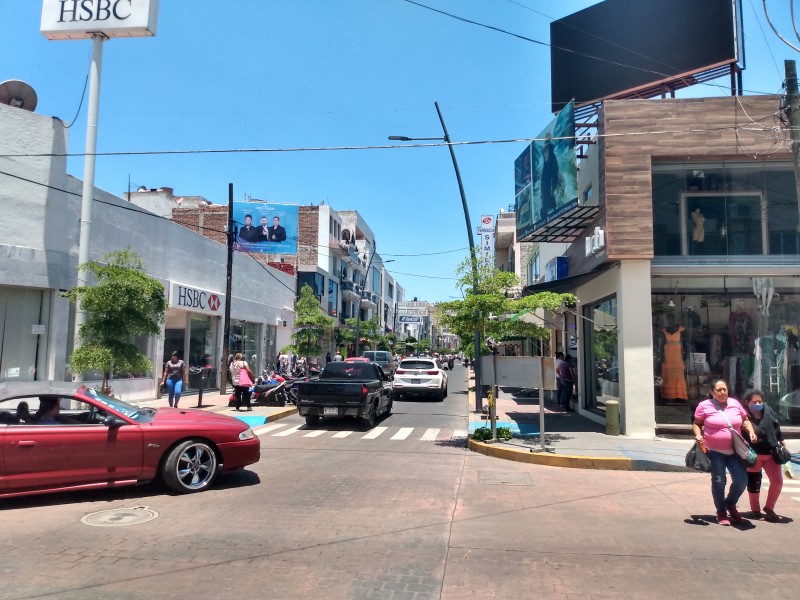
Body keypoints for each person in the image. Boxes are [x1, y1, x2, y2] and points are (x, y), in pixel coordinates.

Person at [692, 379, 757, 525]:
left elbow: (745, 420)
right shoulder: (704, 406)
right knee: (719, 481)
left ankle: (730, 503)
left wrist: (751, 432)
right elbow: (697, 424)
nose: (723, 392)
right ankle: (721, 512)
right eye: (719, 390)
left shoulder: (734, 403)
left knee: (741, 480)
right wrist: (698, 435)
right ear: (712, 392)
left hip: (735, 452)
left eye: (725, 389)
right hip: (714, 452)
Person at [743, 389, 786, 521]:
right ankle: (755, 510)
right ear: (747, 403)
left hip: (771, 453)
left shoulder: (768, 411)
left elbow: (776, 427)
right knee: (754, 483)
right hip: (753, 455)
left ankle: (769, 507)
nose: (757, 404)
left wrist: (782, 443)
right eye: (754, 401)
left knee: (778, 482)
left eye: (759, 401)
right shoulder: (743, 416)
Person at [539, 133, 560, 218]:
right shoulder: (545, 167)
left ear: (549, 150)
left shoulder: (553, 163)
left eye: (546, 151)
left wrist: (552, 192)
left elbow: (555, 179)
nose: (545, 154)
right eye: (544, 152)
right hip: (546, 199)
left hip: (552, 198)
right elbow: (543, 184)